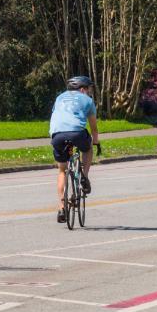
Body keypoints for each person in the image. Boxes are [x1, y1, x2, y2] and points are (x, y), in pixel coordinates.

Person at [50, 75, 100, 224]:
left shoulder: (59, 98)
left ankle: (61, 207)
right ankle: (84, 177)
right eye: (89, 89)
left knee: (62, 171)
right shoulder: (88, 100)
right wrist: (96, 141)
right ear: (82, 89)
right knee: (88, 148)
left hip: (57, 135)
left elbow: (56, 116)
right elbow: (93, 128)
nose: (90, 92)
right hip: (77, 134)